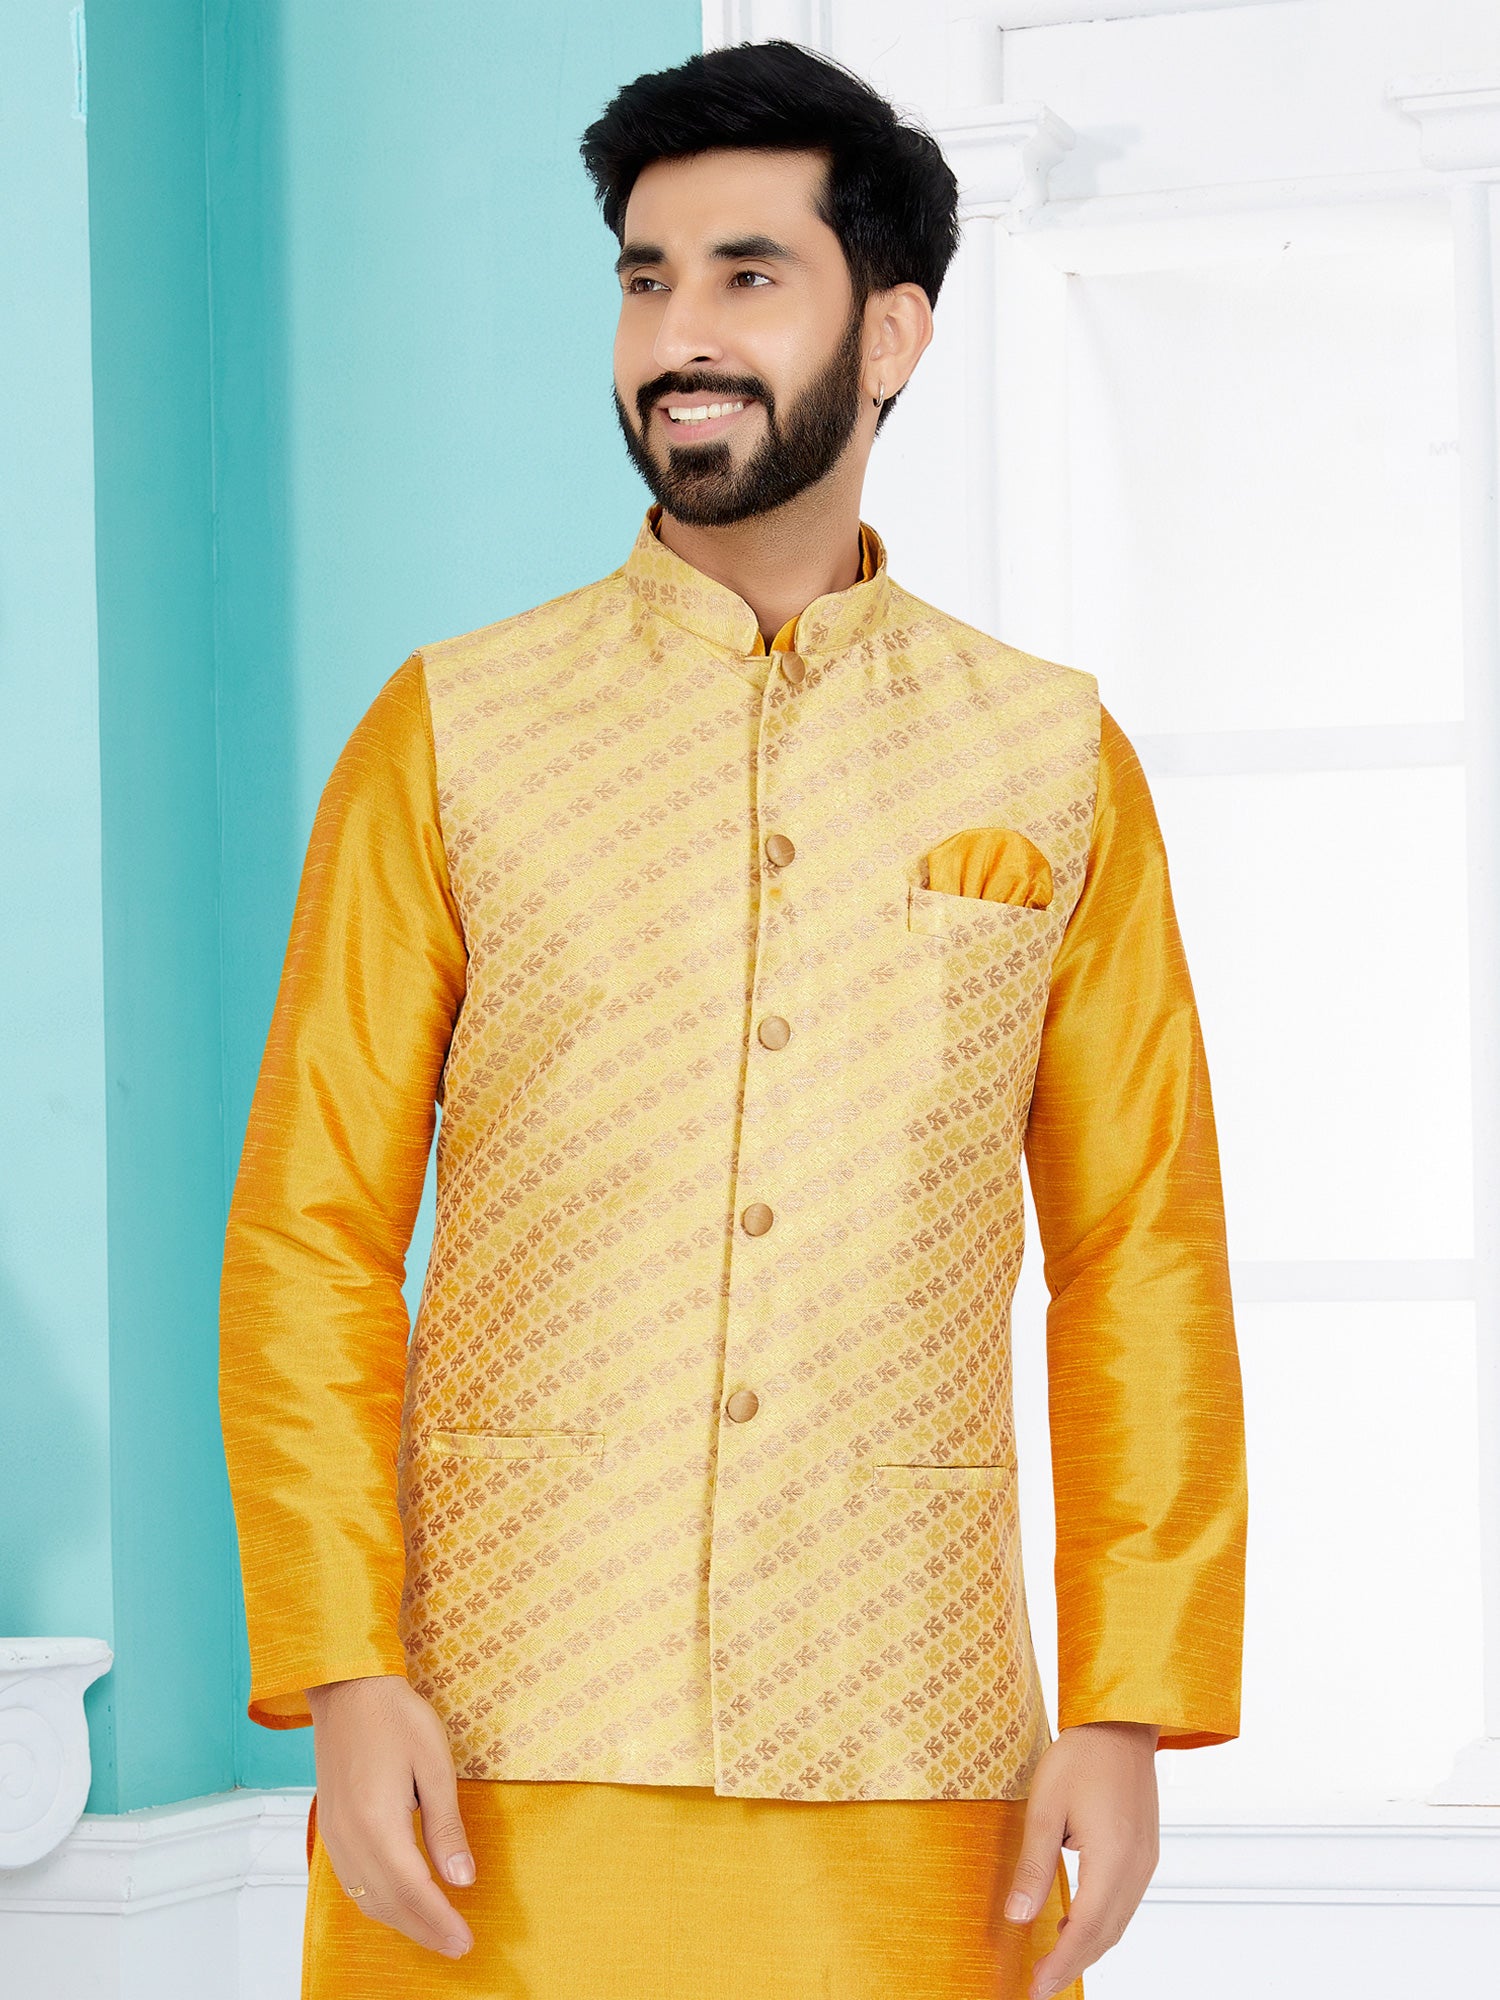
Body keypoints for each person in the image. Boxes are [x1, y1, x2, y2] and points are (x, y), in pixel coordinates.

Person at [219, 38, 1246, 2000]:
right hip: (494, 1730)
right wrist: (344, 1662)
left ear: (895, 331)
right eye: (646, 278)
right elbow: (311, 1233)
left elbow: (1142, 1254)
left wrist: (1126, 1700)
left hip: (913, 1726)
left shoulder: (1049, 761)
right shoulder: (451, 735)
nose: (679, 334)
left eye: (747, 276)